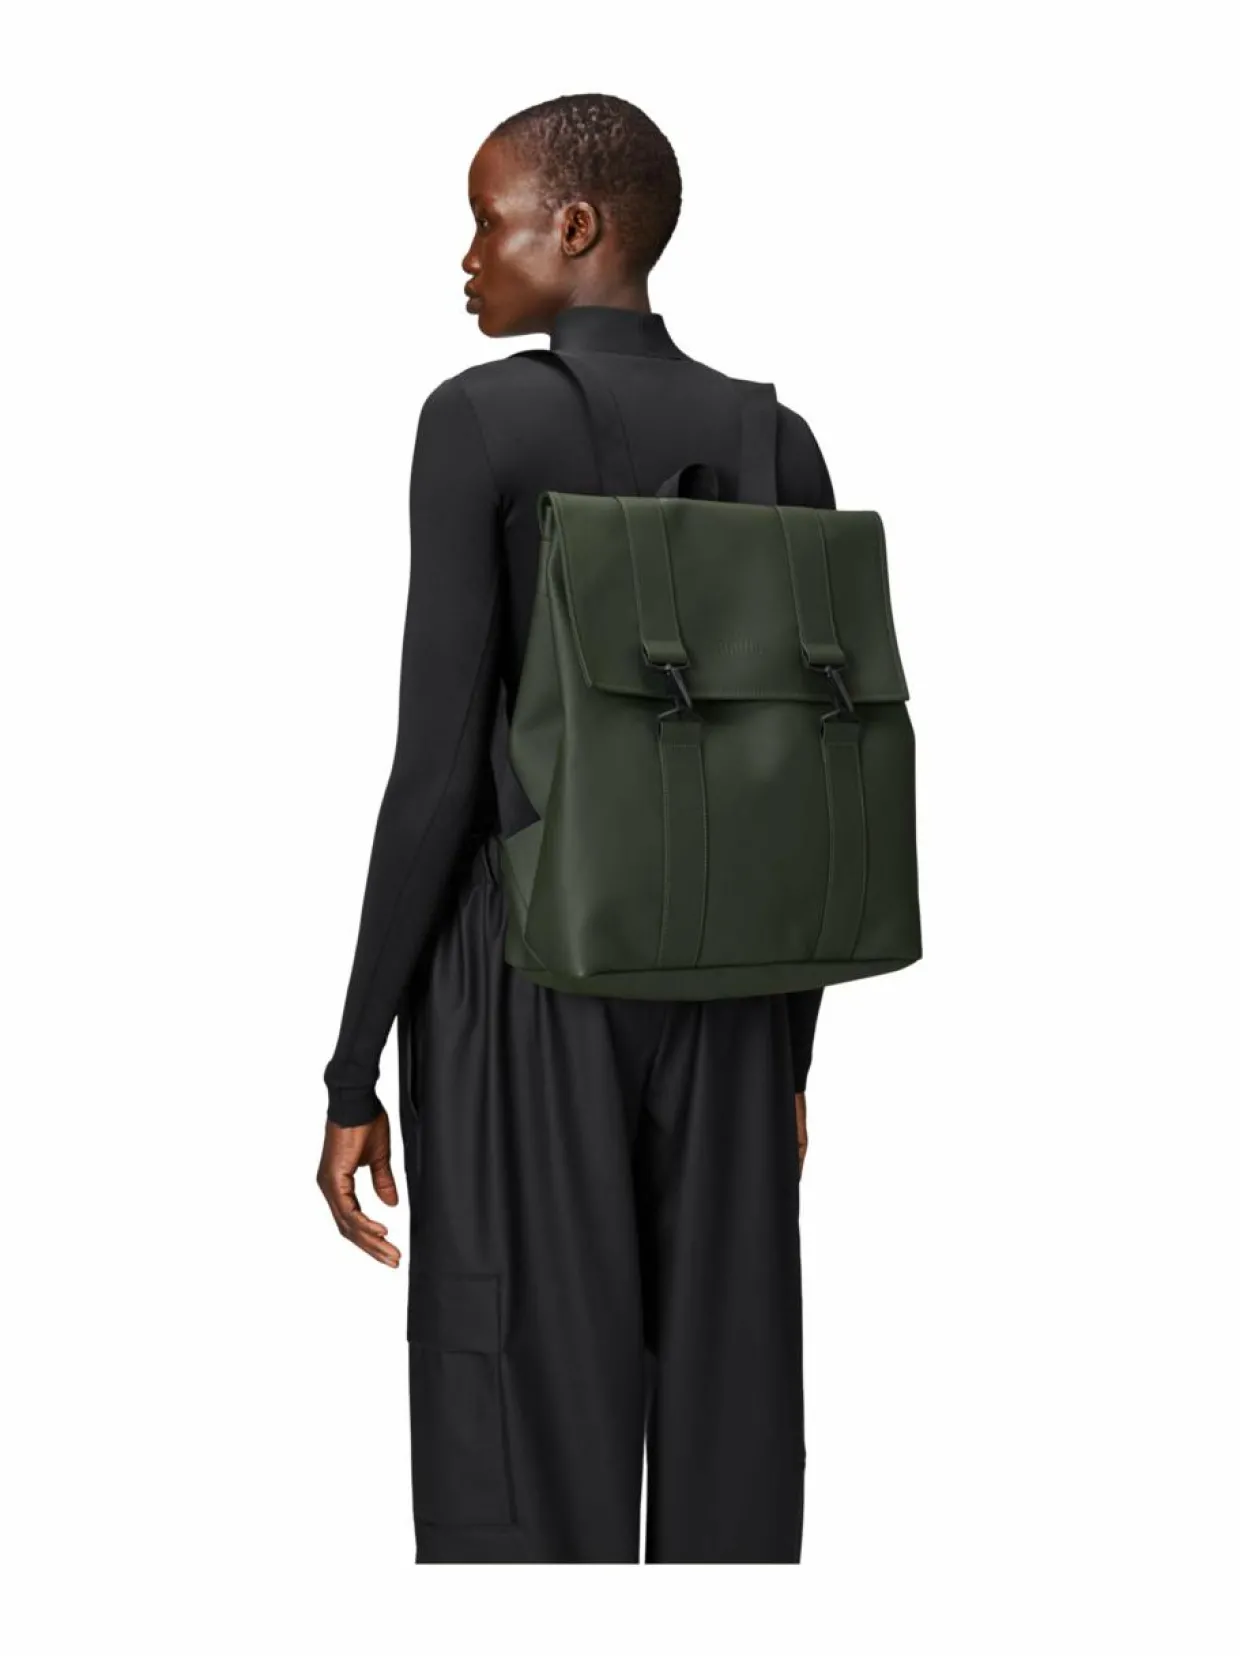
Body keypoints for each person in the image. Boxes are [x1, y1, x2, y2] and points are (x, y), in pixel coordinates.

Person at [317, 92, 836, 1564]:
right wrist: (791, 1056)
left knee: (518, 1430)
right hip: (733, 990)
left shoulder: (479, 419)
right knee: (734, 1415)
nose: (470, 259)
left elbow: (437, 772)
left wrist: (353, 1066)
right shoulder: (779, 441)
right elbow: (802, 777)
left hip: (525, 969)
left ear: (578, 226)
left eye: (490, 224)